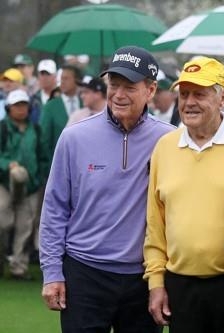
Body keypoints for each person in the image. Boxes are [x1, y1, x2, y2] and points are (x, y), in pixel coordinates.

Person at [39, 46, 175, 333]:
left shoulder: (169, 140)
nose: (118, 94)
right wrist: (52, 273)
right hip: (84, 273)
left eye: (129, 87)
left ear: (150, 90)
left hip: (143, 277)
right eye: (114, 85)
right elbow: (55, 208)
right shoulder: (74, 137)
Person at [144, 56, 224, 333]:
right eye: (184, 94)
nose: (189, 102)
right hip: (180, 286)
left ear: (223, 97)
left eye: (200, 94)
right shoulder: (164, 147)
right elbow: (156, 226)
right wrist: (156, 284)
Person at [0, 89, 44, 279]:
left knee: (25, 227)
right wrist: (6, 164)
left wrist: (39, 177)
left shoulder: (35, 128)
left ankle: (19, 267)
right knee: (3, 222)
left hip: (31, 185)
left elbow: (43, 156)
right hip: (5, 182)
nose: (21, 109)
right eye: (17, 105)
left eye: (24, 105)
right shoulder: (2, 128)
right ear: (9, 108)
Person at [39, 64, 82, 178]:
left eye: (66, 78)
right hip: (58, 168)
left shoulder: (85, 103)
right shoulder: (50, 106)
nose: (62, 82)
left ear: (77, 80)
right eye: (61, 78)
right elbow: (44, 139)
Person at [30, 59, 58, 124]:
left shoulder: (62, 97)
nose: (44, 77)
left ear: (55, 76)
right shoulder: (33, 100)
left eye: (48, 74)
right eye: (42, 74)